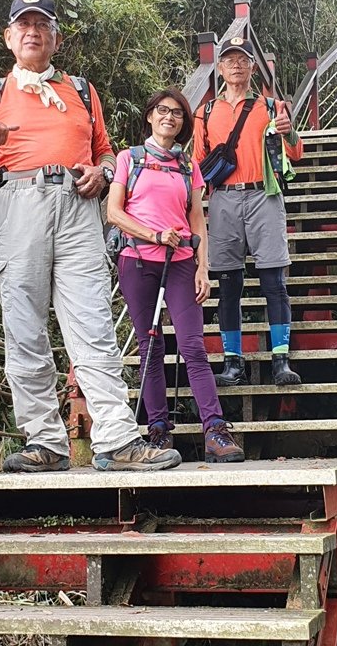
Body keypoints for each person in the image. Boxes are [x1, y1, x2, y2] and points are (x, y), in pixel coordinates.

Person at [0, 0, 181, 474]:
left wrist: (102, 172)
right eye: (24, 25)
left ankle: (118, 439)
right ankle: (45, 441)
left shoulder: (82, 90)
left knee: (94, 325)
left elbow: (105, 151)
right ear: (10, 37)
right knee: (24, 330)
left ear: (56, 37)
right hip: (18, 206)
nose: (33, 32)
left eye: (42, 25)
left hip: (79, 208)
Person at [107, 89, 245, 463]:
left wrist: (204, 267)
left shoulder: (188, 166)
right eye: (162, 111)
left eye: (178, 114)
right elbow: (113, 212)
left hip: (182, 260)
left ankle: (214, 429)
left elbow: (197, 219)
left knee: (193, 345)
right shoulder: (129, 159)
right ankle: (158, 430)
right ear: (150, 116)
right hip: (137, 261)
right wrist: (153, 235)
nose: (170, 117)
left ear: (183, 124)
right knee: (150, 347)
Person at [192, 37, 304, 388]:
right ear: (220, 69)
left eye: (243, 60)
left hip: (263, 195)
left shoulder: (271, 107)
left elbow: (296, 153)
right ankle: (232, 363)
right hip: (223, 199)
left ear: (254, 68)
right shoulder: (206, 112)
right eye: (230, 60)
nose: (236, 65)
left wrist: (290, 134)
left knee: (274, 280)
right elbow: (196, 163)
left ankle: (280, 360)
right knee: (228, 283)